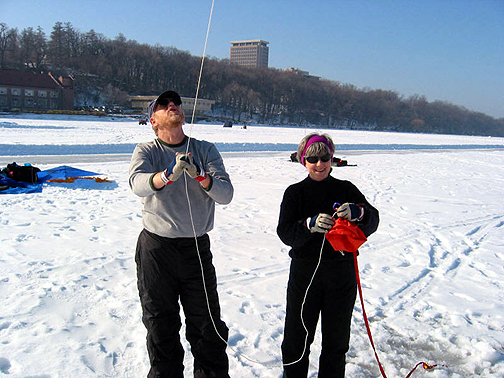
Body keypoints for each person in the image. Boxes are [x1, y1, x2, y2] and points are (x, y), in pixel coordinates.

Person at [129, 90, 233, 378]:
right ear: (153, 120)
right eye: (163, 105)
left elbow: (225, 194)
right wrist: (167, 175)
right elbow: (137, 184)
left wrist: (201, 175)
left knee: (207, 326)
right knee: (160, 325)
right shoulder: (146, 151)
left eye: (175, 102)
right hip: (156, 250)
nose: (171, 105)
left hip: (196, 250)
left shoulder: (205, 149)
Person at [277, 133, 379, 378]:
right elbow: (285, 232)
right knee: (296, 341)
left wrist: (359, 212)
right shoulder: (295, 192)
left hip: (341, 275)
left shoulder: (346, 189)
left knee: (336, 343)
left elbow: (373, 219)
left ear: (331, 159)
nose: (319, 164)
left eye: (324, 158)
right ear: (303, 161)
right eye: (313, 159)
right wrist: (308, 225)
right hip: (304, 276)